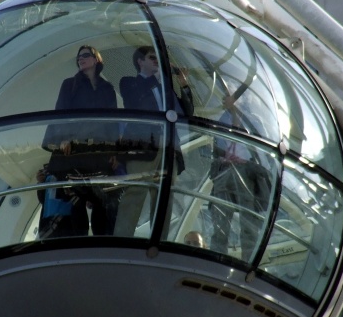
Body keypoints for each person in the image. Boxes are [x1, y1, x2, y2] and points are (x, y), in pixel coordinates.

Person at [114, 46, 194, 237]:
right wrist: (157, 77)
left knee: (164, 198)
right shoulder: (129, 82)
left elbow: (186, 112)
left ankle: (159, 242)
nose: (156, 60)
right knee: (135, 193)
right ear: (140, 62)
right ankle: (122, 240)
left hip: (168, 149)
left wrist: (183, 85)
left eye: (158, 58)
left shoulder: (164, 88)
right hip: (143, 147)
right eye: (152, 57)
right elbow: (134, 101)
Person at [41, 45, 120, 236]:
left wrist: (115, 152)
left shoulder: (107, 88)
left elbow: (113, 122)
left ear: (96, 60)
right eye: (78, 57)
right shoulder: (70, 84)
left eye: (85, 56)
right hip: (73, 151)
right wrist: (63, 138)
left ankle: (105, 245)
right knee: (72, 199)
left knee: (104, 200)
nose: (80, 59)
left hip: (96, 153)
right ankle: (75, 241)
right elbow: (61, 112)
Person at [209, 89, 272, 259]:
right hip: (225, 171)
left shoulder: (253, 120)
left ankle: (248, 260)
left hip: (246, 172)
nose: (225, 100)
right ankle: (217, 258)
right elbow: (216, 147)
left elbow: (262, 148)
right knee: (220, 218)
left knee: (248, 220)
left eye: (230, 96)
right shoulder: (222, 120)